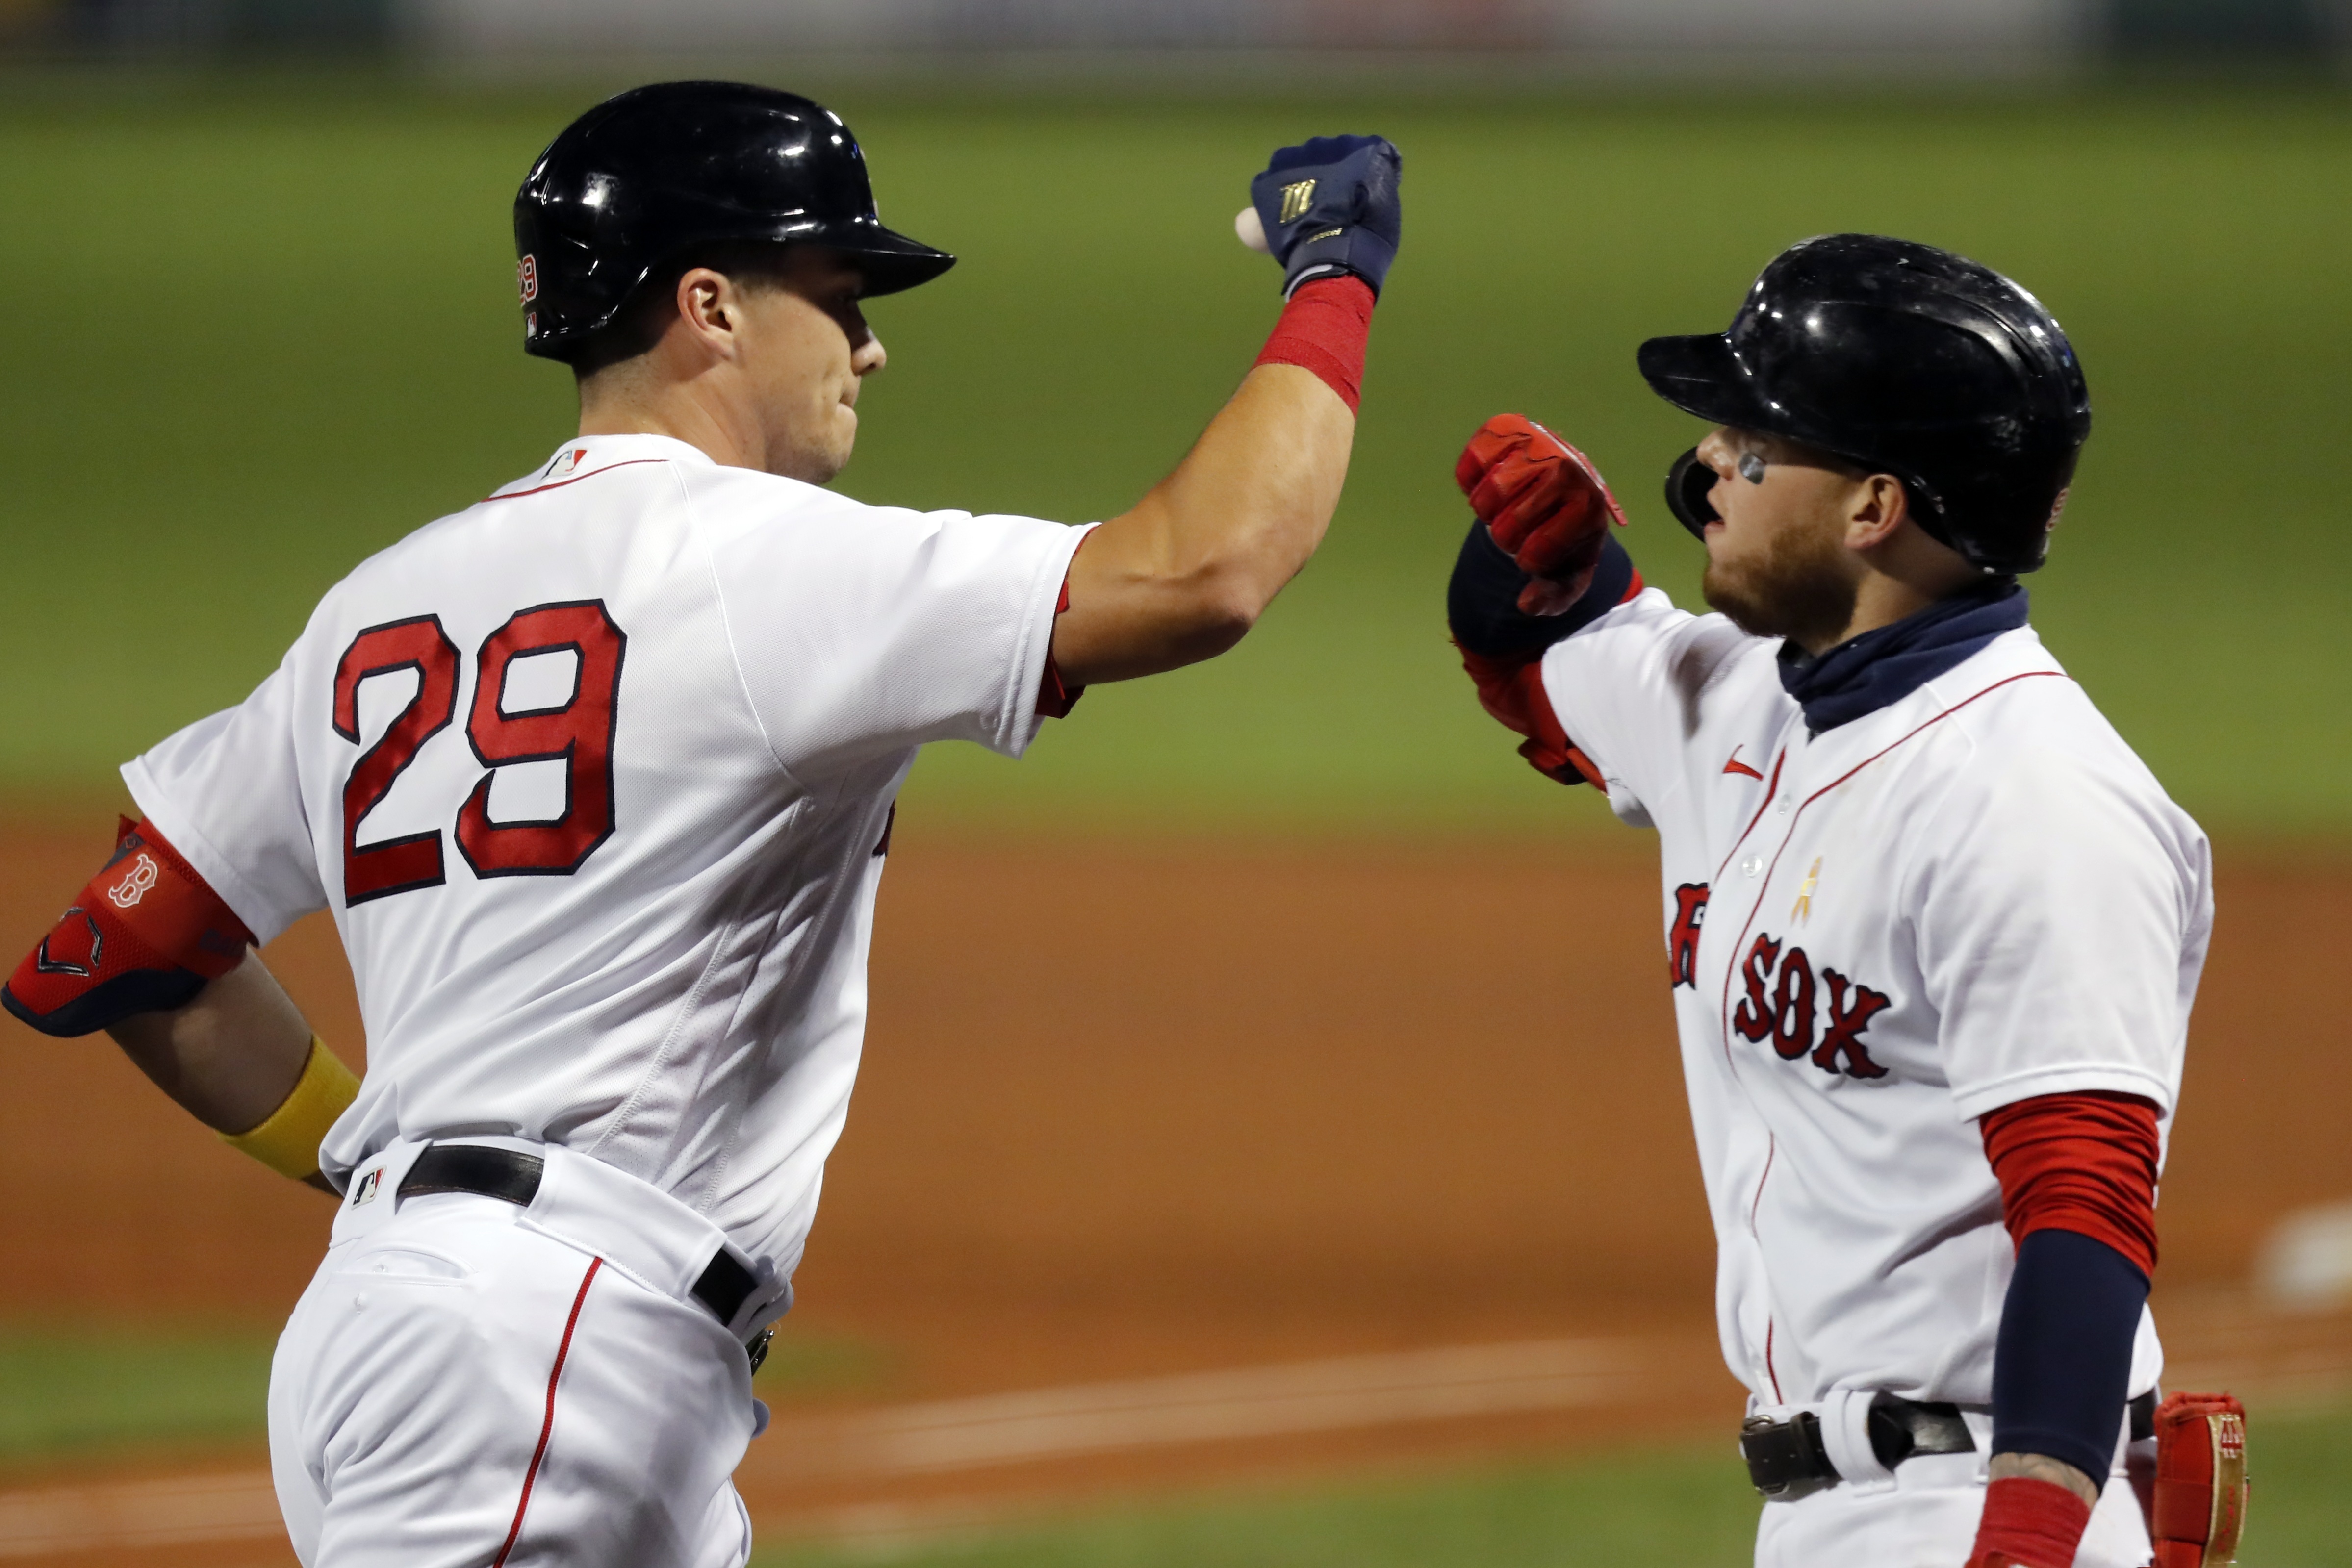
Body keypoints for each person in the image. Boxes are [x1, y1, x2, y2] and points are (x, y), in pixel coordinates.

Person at [2, 81, 1401, 1567]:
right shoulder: (757, 566)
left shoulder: (378, 604)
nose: (869, 342)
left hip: (466, 1337)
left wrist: (377, 1178)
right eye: (839, 291)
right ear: (710, 307)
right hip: (537, 1361)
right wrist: (1331, 282)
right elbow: (1205, 572)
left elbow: (128, 942)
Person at [1443, 234, 2245, 1568]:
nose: (1706, 467)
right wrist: (1541, 552)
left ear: (1873, 508)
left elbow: (2084, 1208)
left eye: (1752, 446)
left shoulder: (2033, 799)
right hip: (1829, 1513)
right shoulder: (1742, 696)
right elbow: (1536, 663)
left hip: (1973, 1502)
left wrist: (2027, 1544)